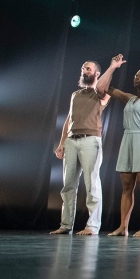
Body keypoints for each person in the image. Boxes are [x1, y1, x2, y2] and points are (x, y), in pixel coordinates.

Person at [95, 54, 140, 238]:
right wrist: (113, 66)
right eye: (136, 74)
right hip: (128, 139)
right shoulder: (130, 98)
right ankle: (123, 227)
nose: (136, 76)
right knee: (126, 185)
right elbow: (101, 87)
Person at [51, 60, 111, 235]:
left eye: (88, 69)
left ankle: (92, 226)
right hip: (71, 140)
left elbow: (102, 90)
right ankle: (66, 224)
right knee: (68, 185)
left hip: (90, 140)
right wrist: (62, 143)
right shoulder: (75, 94)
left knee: (92, 184)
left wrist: (113, 67)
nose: (84, 71)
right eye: (82, 68)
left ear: (96, 73)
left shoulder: (101, 94)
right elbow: (69, 120)